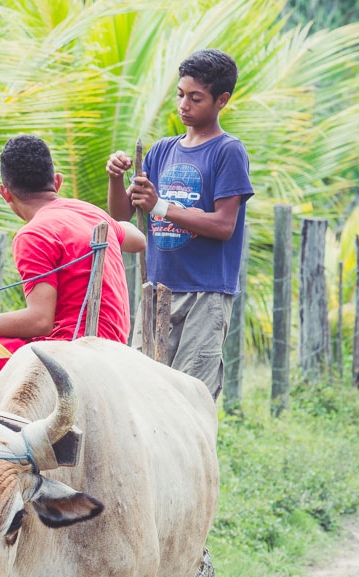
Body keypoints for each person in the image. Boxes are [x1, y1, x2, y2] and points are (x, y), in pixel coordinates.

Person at [0, 134, 146, 408]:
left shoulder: (34, 234)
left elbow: (39, 321)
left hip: (67, 354)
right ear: (57, 182)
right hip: (111, 346)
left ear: (5, 193)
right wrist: (113, 224)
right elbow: (139, 240)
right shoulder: (88, 212)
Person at [106, 48, 253, 400]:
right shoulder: (161, 151)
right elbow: (122, 215)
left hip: (205, 293)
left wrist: (162, 207)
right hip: (157, 291)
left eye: (196, 98)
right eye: (180, 94)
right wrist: (115, 178)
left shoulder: (228, 151)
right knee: (144, 395)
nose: (184, 104)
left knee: (189, 399)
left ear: (222, 100)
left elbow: (223, 226)